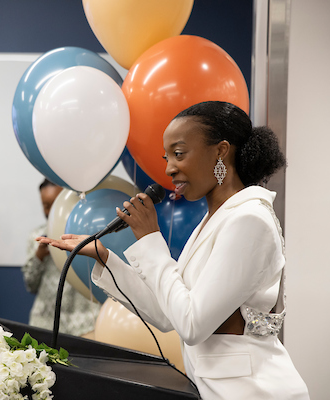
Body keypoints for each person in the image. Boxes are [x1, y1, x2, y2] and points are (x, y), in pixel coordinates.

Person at [39, 101, 309, 399]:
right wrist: (105, 258)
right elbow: (169, 314)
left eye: (179, 154)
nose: (168, 168)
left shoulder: (249, 220)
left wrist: (151, 238)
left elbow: (191, 324)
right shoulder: (215, 220)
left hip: (252, 390)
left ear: (221, 151)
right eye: (166, 157)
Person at [22, 179, 101, 337]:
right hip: (45, 322)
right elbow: (30, 285)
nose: (51, 211)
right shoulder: (36, 236)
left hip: (84, 322)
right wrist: (38, 257)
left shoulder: (88, 234)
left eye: (55, 204)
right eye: (45, 205)